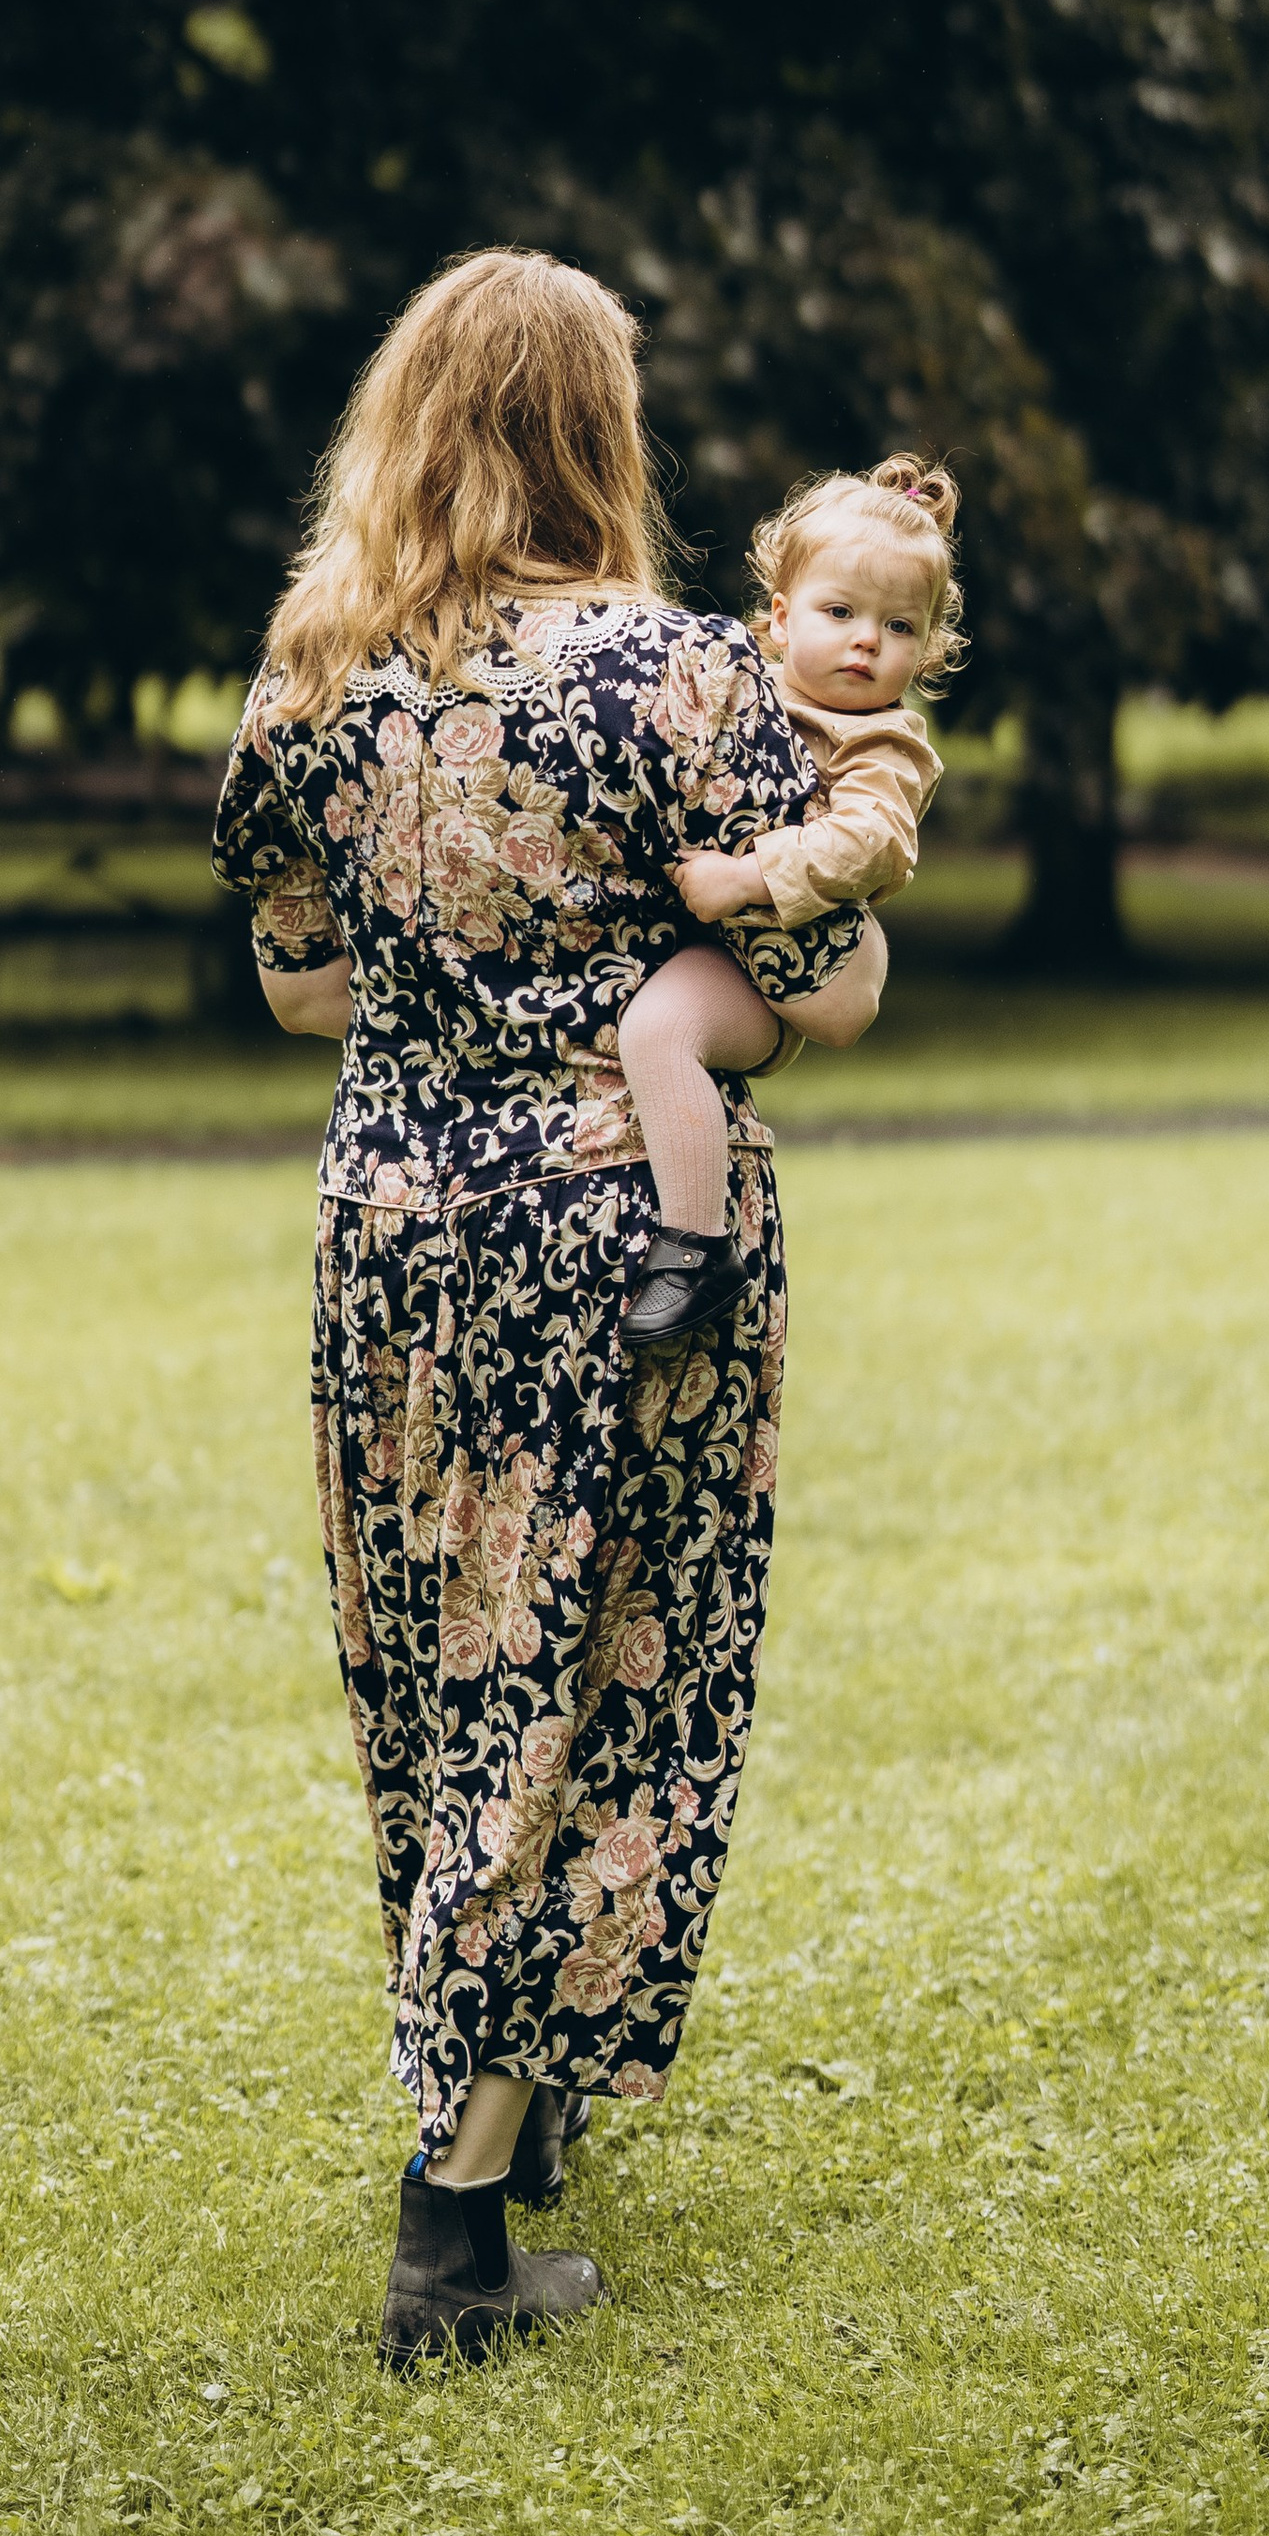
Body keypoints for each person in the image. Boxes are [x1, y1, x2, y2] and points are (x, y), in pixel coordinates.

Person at [212, 250, 885, 2368]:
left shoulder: (306, 680)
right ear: (596, 426)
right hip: (616, 1242)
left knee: (437, 1671)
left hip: (391, 1227)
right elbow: (826, 990)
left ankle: (494, 2106)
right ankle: (458, 2219)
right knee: (600, 1676)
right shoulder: (686, 678)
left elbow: (300, 982)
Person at [615, 458, 960, 1346]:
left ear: (927, 650)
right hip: (719, 949)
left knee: (659, 1031)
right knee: (639, 1023)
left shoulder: (880, 743)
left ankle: (694, 1247)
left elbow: (872, 844)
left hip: (786, 971)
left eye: (898, 626)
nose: (866, 643)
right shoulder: (741, 693)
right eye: (839, 613)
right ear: (776, 618)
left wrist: (749, 875)